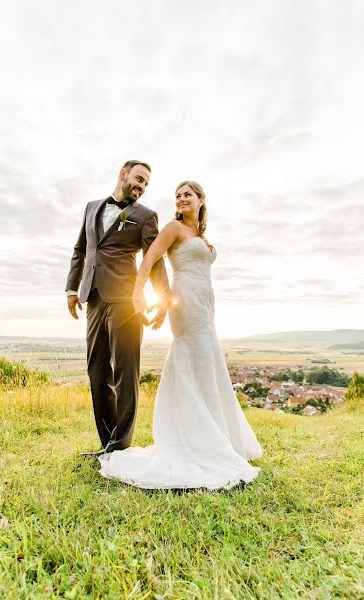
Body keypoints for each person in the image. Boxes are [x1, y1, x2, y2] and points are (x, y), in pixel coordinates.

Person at [99, 181, 263, 490]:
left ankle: (217, 435)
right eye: (178, 195)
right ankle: (196, 439)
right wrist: (139, 296)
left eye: (188, 194)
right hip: (185, 299)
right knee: (191, 357)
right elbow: (149, 259)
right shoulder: (173, 228)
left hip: (205, 300)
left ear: (202, 200)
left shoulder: (199, 236)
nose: (181, 198)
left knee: (207, 361)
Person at [65, 160, 171, 456]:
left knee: (125, 372)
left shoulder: (146, 216)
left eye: (146, 183)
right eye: (139, 178)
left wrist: (163, 297)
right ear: (122, 175)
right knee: (97, 371)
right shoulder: (91, 207)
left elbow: (154, 258)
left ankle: (121, 445)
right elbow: (81, 249)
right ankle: (108, 445)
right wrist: (72, 289)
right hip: (94, 298)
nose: (142, 185)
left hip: (127, 300)